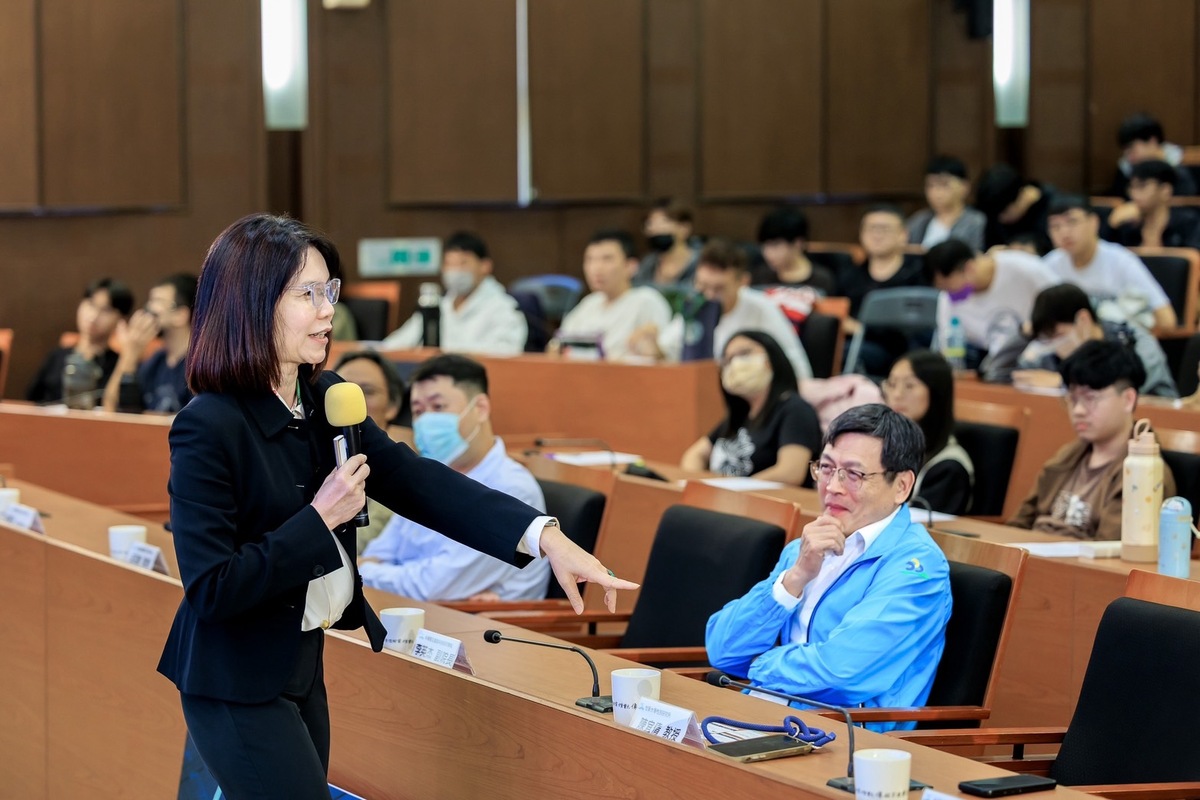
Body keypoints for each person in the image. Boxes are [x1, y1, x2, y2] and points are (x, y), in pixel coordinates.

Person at [157, 214, 634, 800]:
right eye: (307, 294)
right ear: (252, 304)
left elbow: (419, 483)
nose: (328, 310)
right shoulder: (208, 425)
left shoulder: (327, 398)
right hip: (232, 678)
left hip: (299, 661)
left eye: (329, 291)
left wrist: (545, 537)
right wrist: (320, 518)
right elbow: (211, 588)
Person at [705, 404, 952, 733]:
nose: (832, 486)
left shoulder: (918, 569)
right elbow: (722, 650)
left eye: (853, 474)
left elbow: (842, 670)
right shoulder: (807, 546)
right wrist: (794, 579)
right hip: (766, 715)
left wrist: (759, 664)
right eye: (826, 467)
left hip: (846, 739)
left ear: (902, 486)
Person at [359, 354, 551, 601]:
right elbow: (379, 551)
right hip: (417, 612)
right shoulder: (426, 476)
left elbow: (432, 587)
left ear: (480, 408)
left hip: (488, 626)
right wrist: (372, 567)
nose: (426, 420)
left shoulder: (512, 487)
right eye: (418, 411)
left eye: (438, 407)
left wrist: (366, 569)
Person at [1007, 339, 1175, 540]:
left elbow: (1111, 555)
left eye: (1090, 398)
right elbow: (1018, 524)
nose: (1078, 410)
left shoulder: (1144, 474)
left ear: (1128, 400)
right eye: (1073, 399)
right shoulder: (1065, 458)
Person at [632, 239, 813, 380]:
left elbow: (798, 370)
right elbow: (670, 354)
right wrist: (652, 346)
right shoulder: (696, 305)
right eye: (702, 286)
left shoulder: (762, 308)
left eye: (718, 289)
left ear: (742, 282)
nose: (709, 296)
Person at [984, 283, 1178, 397]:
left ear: (1083, 319)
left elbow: (1132, 389)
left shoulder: (1133, 340)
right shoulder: (1050, 355)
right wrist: (1025, 333)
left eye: (1059, 335)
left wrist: (1065, 383)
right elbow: (997, 375)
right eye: (1047, 339)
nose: (1054, 345)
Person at [680, 331, 821, 486]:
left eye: (744, 353)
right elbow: (695, 455)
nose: (735, 364)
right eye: (728, 360)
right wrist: (698, 485)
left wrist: (732, 490)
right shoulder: (740, 414)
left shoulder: (795, 410)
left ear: (771, 357)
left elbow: (790, 473)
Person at [1042, 195, 1177, 330]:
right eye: (1055, 226)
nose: (1064, 233)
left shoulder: (1121, 261)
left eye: (1072, 222)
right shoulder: (1048, 265)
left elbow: (1166, 319)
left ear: (1094, 222)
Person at [382, 231, 527, 354]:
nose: (455, 271)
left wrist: (446, 352)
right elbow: (398, 342)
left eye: (463, 263)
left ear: (485, 266)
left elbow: (508, 351)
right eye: (449, 263)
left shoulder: (503, 307)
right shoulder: (439, 305)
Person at [925, 238, 1058, 368]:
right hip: (999, 364)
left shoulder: (1026, 268)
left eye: (948, 286)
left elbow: (1064, 304)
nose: (949, 294)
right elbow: (948, 349)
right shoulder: (948, 298)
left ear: (969, 268)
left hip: (1047, 354)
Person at [835, 204, 928, 376]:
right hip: (860, 348)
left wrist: (861, 328)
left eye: (884, 229)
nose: (877, 235)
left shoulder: (918, 274)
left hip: (905, 351)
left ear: (903, 235)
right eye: (871, 229)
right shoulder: (850, 276)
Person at [553, 229, 672, 360]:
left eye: (607, 259)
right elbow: (556, 347)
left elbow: (662, 356)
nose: (596, 268)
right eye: (590, 260)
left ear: (630, 266)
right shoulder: (588, 303)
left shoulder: (647, 301)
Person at [331, 350, 406, 554]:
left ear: (393, 406)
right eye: (342, 393)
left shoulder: (401, 472)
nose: (351, 404)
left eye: (367, 392)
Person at [883, 351, 974, 515]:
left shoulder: (948, 467)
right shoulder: (882, 447)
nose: (896, 394)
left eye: (909, 386)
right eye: (891, 384)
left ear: (936, 392)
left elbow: (926, 528)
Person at [26, 277, 134, 403]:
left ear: (122, 319)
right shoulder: (57, 356)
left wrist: (129, 354)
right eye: (91, 304)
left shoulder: (119, 365)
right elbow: (32, 400)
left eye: (106, 310)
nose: (93, 316)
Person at [101, 273, 197, 413]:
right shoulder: (156, 362)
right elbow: (112, 407)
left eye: (157, 301)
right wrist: (129, 355)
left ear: (180, 315)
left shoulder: (199, 366)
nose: (148, 309)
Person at [1103, 160, 1200, 250]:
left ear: (1165, 190)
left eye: (1142, 186)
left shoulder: (1188, 223)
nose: (1134, 194)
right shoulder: (1127, 225)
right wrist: (1112, 224)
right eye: (1132, 187)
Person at [750, 205, 837, 295]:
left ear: (797, 244)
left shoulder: (822, 280)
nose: (767, 253)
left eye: (775, 245)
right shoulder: (759, 276)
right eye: (764, 245)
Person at [1108, 112, 1198, 198]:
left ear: (1152, 141)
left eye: (1132, 149)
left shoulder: (1181, 168)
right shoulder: (1126, 169)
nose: (1129, 157)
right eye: (1126, 151)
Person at [906, 156, 986, 251]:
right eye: (930, 185)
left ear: (965, 187)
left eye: (944, 185)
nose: (936, 192)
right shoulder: (919, 220)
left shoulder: (976, 221)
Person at [974, 163, 1054, 251]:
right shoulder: (992, 211)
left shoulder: (1053, 208)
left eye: (1004, 212)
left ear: (1021, 196)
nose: (1000, 219)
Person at [633, 198, 700, 288]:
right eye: (650, 223)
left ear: (684, 227)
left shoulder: (701, 263)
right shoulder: (647, 264)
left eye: (665, 221)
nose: (656, 229)